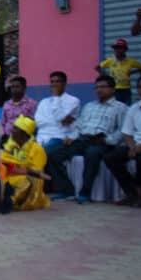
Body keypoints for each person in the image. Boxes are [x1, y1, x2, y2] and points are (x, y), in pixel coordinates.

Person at [45, 75, 128, 203]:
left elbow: (122, 131)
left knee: (92, 153)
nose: (99, 90)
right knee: (54, 154)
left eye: (103, 87)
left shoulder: (121, 108)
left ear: (112, 89)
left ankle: (85, 192)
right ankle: (67, 190)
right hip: (83, 139)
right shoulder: (89, 106)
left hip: (102, 142)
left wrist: (107, 140)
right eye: (97, 87)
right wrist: (71, 137)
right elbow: (79, 124)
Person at [104, 75, 141, 208]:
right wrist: (132, 147)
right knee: (111, 158)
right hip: (136, 144)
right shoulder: (134, 108)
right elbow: (127, 132)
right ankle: (132, 193)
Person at [0, 116, 52, 211]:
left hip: (28, 179)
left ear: (24, 133)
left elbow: (36, 171)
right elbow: (3, 160)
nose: (12, 130)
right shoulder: (11, 146)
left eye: (15, 128)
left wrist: (16, 167)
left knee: (28, 180)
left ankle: (10, 201)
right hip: (12, 174)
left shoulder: (37, 149)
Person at [34, 70, 81, 160]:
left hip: (59, 138)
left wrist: (56, 97)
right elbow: (38, 122)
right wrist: (57, 121)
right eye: (52, 82)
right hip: (41, 137)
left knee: (42, 156)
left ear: (64, 84)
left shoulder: (73, 101)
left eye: (57, 81)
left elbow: (60, 117)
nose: (54, 84)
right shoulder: (44, 101)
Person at [97, 39, 141, 105]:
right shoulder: (111, 61)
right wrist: (104, 75)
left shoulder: (130, 61)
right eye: (116, 48)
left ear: (125, 50)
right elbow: (98, 67)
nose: (117, 50)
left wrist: (132, 72)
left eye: (120, 48)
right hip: (114, 89)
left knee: (126, 108)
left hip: (126, 89)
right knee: (114, 107)